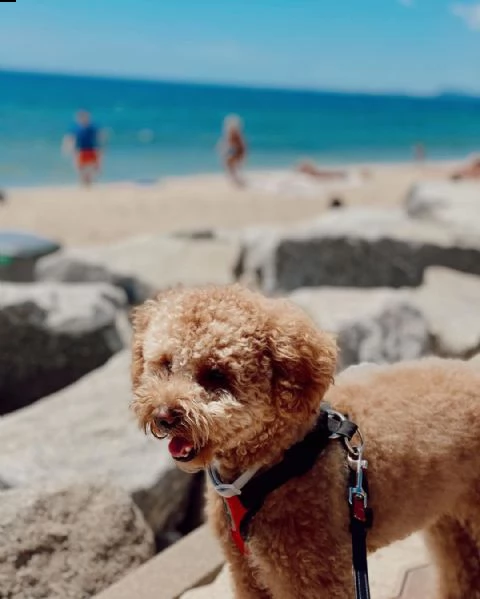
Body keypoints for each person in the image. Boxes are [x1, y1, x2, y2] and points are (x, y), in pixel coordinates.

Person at [62, 110, 102, 186]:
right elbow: (69, 138)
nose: (83, 119)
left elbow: (99, 137)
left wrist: (100, 149)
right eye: (81, 117)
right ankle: (84, 183)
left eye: (85, 117)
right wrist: (67, 148)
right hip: (81, 151)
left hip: (91, 150)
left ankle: (89, 183)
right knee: (81, 169)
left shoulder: (92, 128)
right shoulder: (76, 129)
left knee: (91, 168)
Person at [218, 115, 247, 186]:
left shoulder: (234, 134)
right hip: (238, 152)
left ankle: (236, 180)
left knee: (231, 165)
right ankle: (237, 180)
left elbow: (232, 144)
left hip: (237, 152)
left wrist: (224, 148)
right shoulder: (236, 134)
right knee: (232, 166)